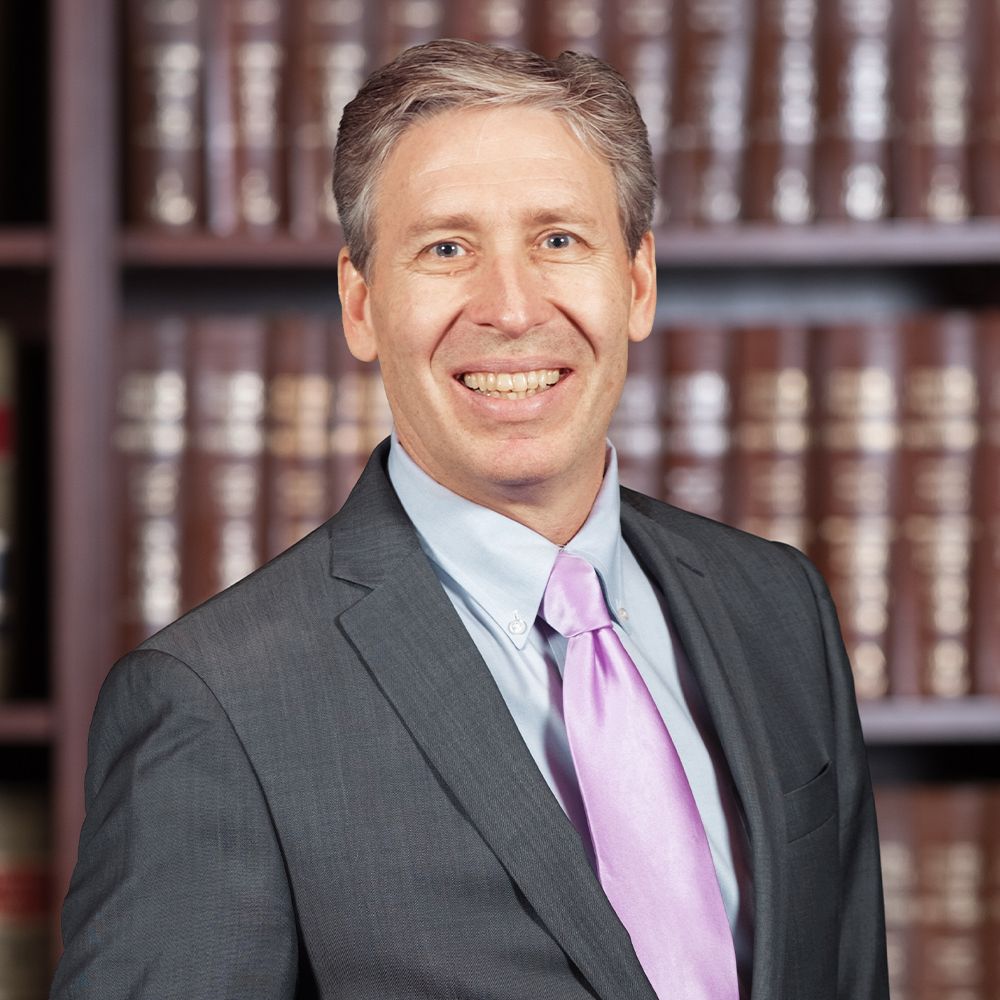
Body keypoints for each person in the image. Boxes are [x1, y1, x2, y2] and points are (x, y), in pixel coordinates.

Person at [51, 39, 888, 1000]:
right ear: (362, 304)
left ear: (639, 284)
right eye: (447, 248)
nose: (511, 307)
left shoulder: (777, 607)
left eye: (559, 240)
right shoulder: (214, 704)